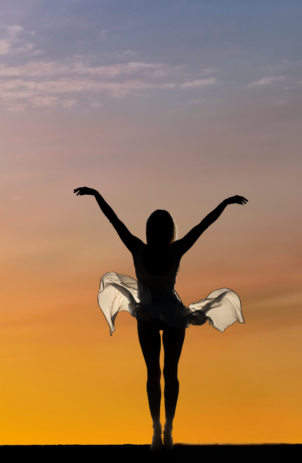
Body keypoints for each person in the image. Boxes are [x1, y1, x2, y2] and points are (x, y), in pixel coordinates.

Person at [74, 188, 246, 451]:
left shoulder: (141, 249)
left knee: (157, 373)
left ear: (151, 230)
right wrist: (225, 202)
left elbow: (115, 221)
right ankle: (163, 429)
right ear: (168, 231)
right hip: (168, 315)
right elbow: (203, 225)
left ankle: (161, 429)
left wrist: (96, 195)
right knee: (166, 373)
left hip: (154, 314)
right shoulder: (169, 249)